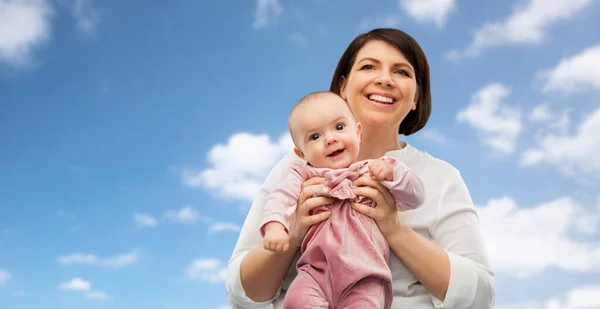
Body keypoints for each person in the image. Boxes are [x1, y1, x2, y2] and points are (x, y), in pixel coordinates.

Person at [225, 28, 495, 309]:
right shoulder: (296, 168)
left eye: (402, 72)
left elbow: (480, 297)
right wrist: (293, 235)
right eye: (368, 67)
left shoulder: (440, 177)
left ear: (416, 97)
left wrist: (395, 231)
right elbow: (241, 295)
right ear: (343, 86)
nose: (384, 79)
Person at [260, 91, 425, 309]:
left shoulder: (373, 170)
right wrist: (274, 227)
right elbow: (280, 197)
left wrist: (394, 173)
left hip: (365, 275)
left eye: (339, 127)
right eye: (315, 137)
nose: (330, 139)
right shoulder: (303, 176)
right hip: (314, 272)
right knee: (295, 300)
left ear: (358, 132)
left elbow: (415, 198)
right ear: (301, 154)